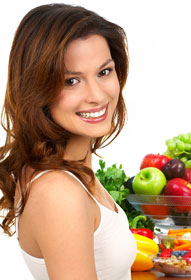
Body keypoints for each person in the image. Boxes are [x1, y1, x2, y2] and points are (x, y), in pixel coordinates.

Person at [0, 3, 137, 280]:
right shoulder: (58, 192)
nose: (97, 96)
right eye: (72, 81)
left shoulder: (72, 169)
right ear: (36, 89)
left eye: (104, 72)